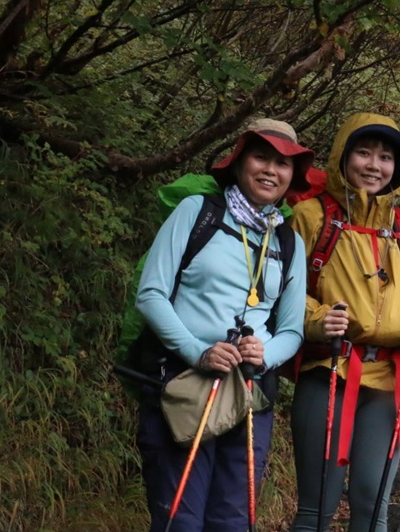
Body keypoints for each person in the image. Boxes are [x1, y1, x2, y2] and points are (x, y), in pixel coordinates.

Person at [134, 118, 312, 531]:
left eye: (283, 164)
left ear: (292, 176)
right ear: (239, 162)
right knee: (180, 518)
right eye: (261, 157)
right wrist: (198, 350)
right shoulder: (197, 212)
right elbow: (151, 294)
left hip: (250, 391)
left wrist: (266, 355)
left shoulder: (288, 241)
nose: (271, 169)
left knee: (233, 520)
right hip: (184, 383)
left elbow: (291, 329)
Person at [290, 113, 400, 532]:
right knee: (317, 506)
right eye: (364, 152)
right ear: (343, 156)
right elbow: (283, 291)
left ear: (398, 168)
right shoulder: (311, 217)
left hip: (392, 378)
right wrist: (318, 319)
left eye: (386, 157)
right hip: (329, 370)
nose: (374, 165)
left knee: (374, 507)